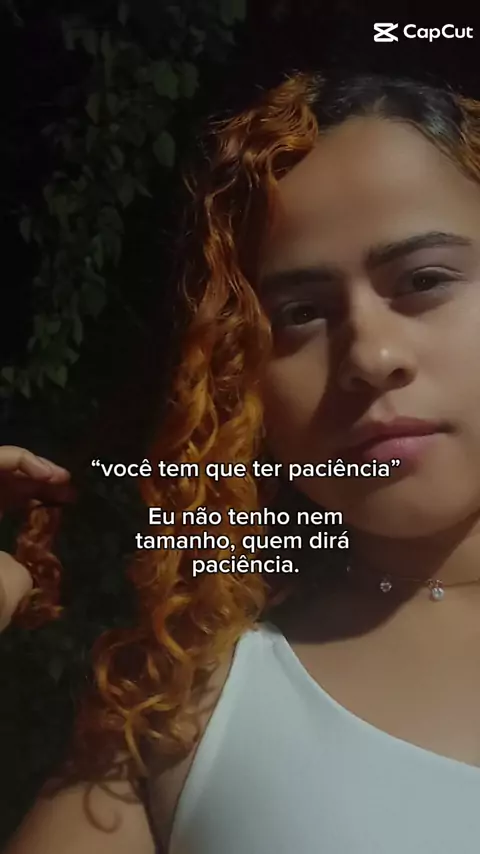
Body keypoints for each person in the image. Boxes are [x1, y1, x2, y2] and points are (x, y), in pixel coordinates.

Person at [4, 68, 480, 854]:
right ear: (241, 377)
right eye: (300, 314)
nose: (370, 356)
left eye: (424, 280)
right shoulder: (177, 718)